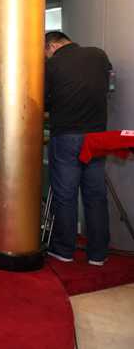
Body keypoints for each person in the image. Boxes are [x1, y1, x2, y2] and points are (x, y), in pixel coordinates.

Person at [44, 31, 112, 266]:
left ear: (52, 46)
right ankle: (98, 253)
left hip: (67, 136)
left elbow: (43, 100)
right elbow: (107, 85)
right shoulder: (99, 55)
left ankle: (64, 249)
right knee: (96, 195)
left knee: (66, 195)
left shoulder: (52, 65)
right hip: (97, 137)